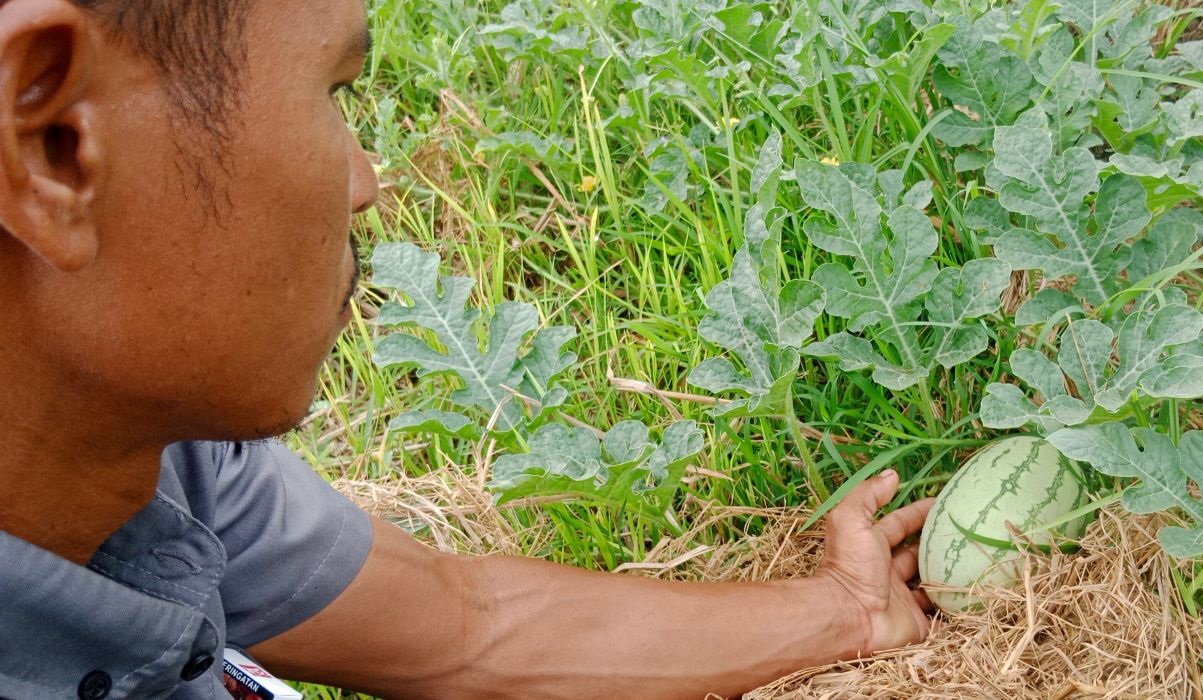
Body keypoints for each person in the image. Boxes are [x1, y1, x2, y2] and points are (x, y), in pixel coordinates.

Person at [0, 0, 936, 698]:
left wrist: (847, 612)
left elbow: (466, 625)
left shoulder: (153, 454)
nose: (366, 182)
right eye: (333, 91)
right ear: (51, 146)